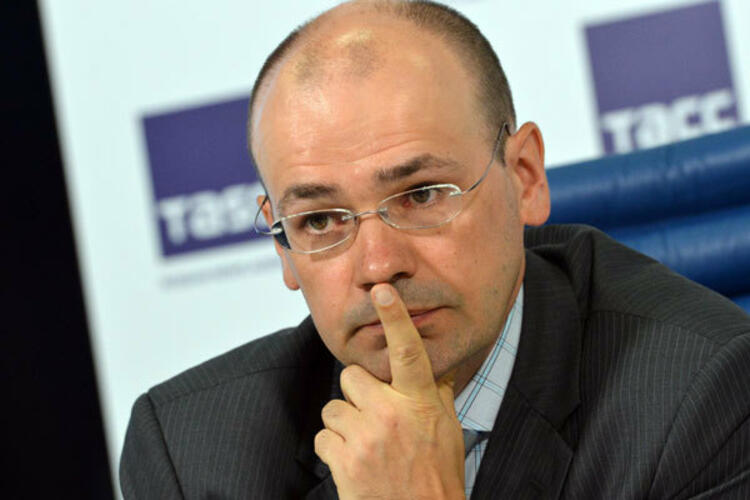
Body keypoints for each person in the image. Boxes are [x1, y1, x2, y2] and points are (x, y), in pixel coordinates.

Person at [120, 1, 750, 498]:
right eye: (320, 220)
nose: (378, 266)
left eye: (420, 196)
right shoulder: (192, 454)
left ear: (525, 178)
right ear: (283, 245)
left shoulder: (705, 398)